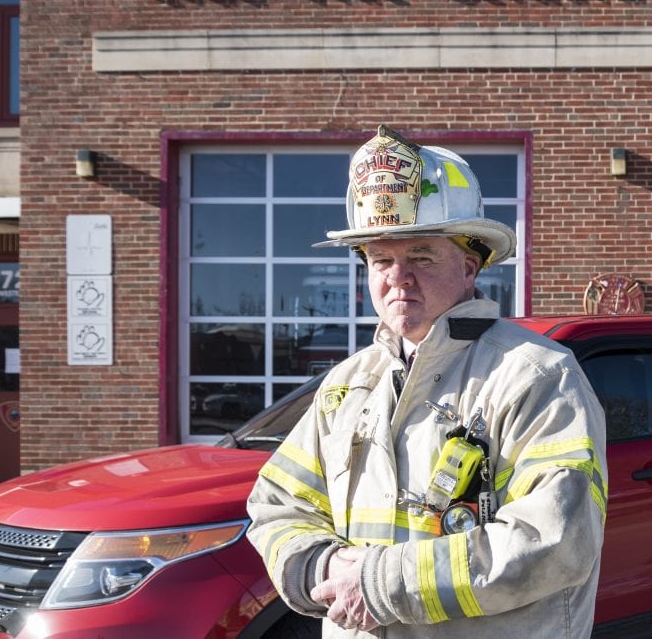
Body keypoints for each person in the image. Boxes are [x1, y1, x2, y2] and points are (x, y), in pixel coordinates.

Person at [247, 126, 608, 637]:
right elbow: (277, 503)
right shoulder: (348, 385)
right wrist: (321, 569)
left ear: (468, 267)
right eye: (381, 260)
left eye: (420, 256)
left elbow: (555, 540)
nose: (398, 276)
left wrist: (378, 584)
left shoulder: (536, 376)